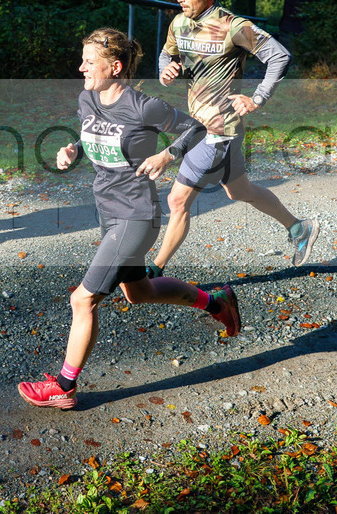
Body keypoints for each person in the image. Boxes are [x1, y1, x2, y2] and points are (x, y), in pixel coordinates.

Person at [17, 28, 240, 411]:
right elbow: (93, 137)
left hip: (136, 217)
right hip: (108, 211)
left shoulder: (144, 106)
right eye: (83, 60)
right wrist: (73, 150)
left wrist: (167, 156)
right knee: (139, 292)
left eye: (90, 62)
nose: (81, 67)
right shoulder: (87, 98)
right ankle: (215, 301)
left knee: (83, 299)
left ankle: (63, 386)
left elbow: (198, 128)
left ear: (114, 67)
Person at [147, 0, 318, 278]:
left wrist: (257, 98)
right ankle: (299, 228)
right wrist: (165, 70)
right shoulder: (179, 24)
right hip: (198, 126)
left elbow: (279, 56)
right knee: (240, 191)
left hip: (218, 131)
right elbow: (166, 55)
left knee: (177, 198)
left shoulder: (234, 27)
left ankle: (154, 272)